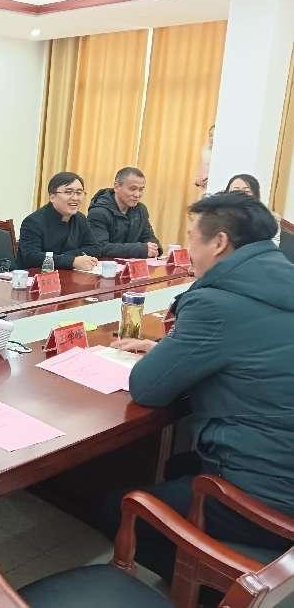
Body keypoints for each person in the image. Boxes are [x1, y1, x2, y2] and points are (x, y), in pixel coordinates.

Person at [106, 192, 293, 584]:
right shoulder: (282, 282)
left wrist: (170, 354)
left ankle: (213, 591)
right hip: (283, 468)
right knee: (179, 466)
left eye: (191, 237)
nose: (186, 249)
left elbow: (147, 388)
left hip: (269, 498)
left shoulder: (216, 302)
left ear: (219, 242)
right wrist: (170, 349)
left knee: (116, 506)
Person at [17, 172, 99, 270]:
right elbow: (31, 257)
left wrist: (65, 257)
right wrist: (71, 261)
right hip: (37, 275)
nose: (75, 198)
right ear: (52, 197)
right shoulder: (33, 222)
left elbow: (94, 248)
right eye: (68, 192)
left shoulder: (80, 218)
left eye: (79, 193)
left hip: (68, 273)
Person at [87, 167, 161, 258]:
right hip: (106, 265)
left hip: (133, 264)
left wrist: (155, 248)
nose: (137, 195)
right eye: (133, 189)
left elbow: (148, 236)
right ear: (117, 187)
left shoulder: (141, 209)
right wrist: (141, 249)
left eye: (141, 189)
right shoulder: (98, 212)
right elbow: (100, 248)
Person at [224, 173, 282, 246]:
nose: (240, 194)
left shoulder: (268, 217)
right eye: (235, 190)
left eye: (247, 191)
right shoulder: (218, 214)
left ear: (255, 195)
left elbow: (273, 243)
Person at [194, 124, 214, 195]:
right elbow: (199, 174)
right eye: (210, 135)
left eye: (214, 135)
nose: (212, 138)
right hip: (205, 191)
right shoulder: (206, 151)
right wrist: (198, 181)